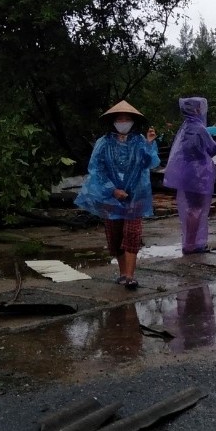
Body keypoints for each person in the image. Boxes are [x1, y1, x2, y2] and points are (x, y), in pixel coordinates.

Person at [75, 100, 159, 289]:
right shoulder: (103, 143)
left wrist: (149, 144)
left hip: (135, 195)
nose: (123, 122)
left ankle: (130, 276)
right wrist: (112, 190)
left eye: (127, 119)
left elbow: (150, 162)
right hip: (110, 196)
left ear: (133, 121)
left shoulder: (139, 141)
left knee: (132, 233)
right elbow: (96, 169)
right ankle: (122, 273)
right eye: (120, 119)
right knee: (115, 235)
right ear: (113, 121)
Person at [163, 97, 216, 255]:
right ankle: (192, 244)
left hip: (186, 173)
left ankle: (190, 242)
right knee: (197, 209)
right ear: (196, 110)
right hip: (199, 175)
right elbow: (212, 149)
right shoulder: (199, 128)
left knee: (190, 208)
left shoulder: (185, 128)